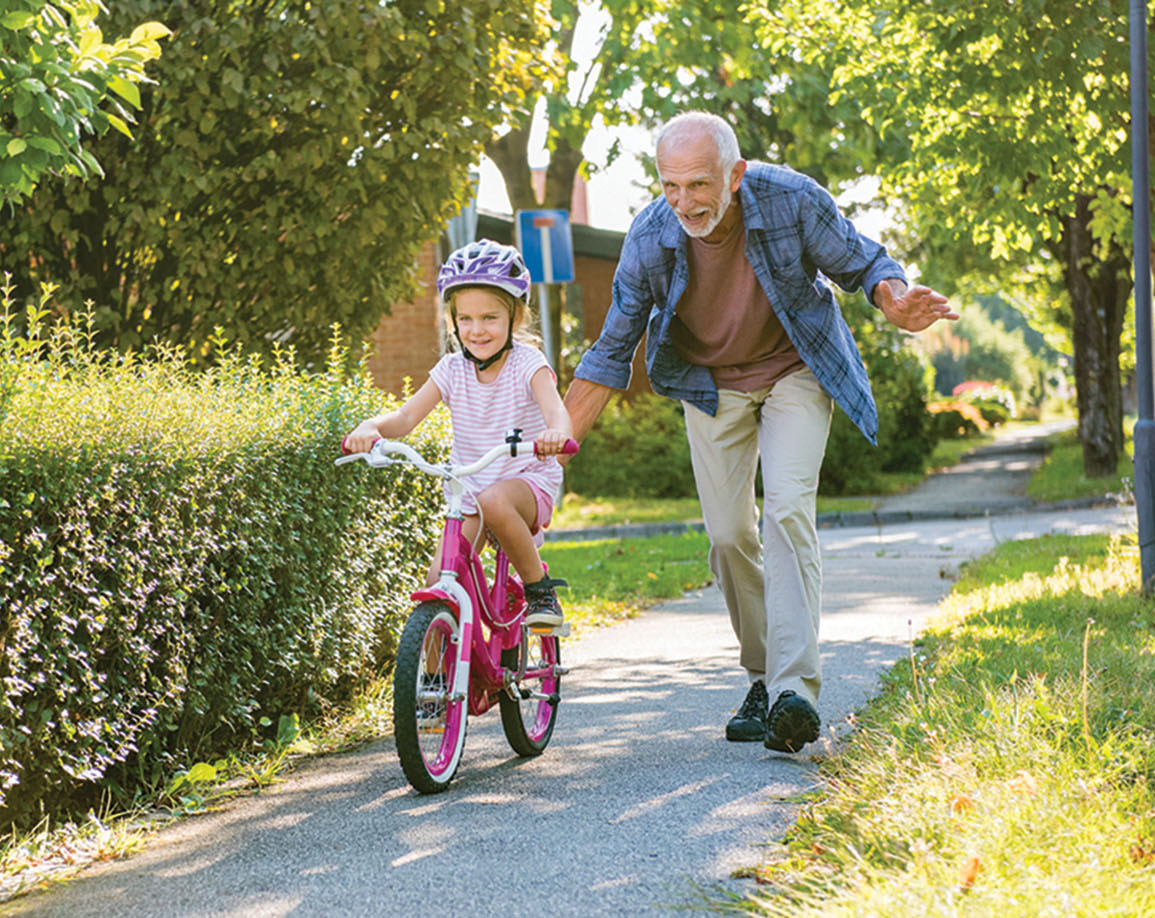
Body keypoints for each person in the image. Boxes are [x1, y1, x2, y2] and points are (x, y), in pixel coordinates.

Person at [562, 112, 958, 752]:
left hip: (795, 368)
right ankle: (761, 676)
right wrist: (556, 453)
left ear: (735, 174)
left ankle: (792, 691)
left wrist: (894, 300)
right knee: (727, 534)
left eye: (698, 185)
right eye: (670, 186)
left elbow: (864, 262)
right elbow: (612, 351)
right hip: (708, 383)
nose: (684, 202)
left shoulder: (790, 199)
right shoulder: (651, 236)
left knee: (788, 511)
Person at [345, 240, 575, 630]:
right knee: (439, 583)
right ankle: (435, 683)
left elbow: (558, 413)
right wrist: (371, 427)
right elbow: (405, 416)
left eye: (489, 317)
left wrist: (556, 434)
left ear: (515, 318)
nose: (476, 329)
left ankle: (540, 590)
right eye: (465, 319)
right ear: (452, 320)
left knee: (495, 501)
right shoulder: (451, 370)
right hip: (471, 488)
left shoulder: (528, 364)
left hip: (527, 482)